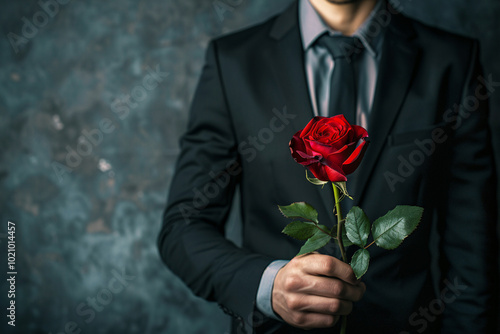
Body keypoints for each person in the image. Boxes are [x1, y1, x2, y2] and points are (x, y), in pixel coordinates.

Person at [157, 0, 498, 333]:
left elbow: (473, 247)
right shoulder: (234, 61)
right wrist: (268, 284)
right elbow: (184, 226)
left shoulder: (450, 61)